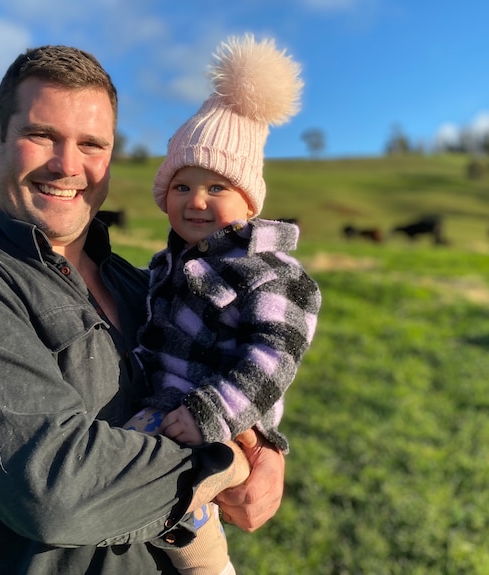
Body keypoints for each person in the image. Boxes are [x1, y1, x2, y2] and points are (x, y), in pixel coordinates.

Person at [0, 44, 285, 574]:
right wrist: (224, 462)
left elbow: (230, 367)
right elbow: (54, 491)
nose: (67, 165)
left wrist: (268, 450)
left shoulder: (144, 285)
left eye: (91, 144)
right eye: (41, 135)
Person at [124, 35, 321, 575]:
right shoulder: (167, 265)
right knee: (135, 480)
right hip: (166, 407)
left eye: (217, 186)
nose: (197, 200)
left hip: (223, 419)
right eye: (182, 185)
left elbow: (272, 360)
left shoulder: (272, 274)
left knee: (185, 518)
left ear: (250, 200)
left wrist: (214, 414)